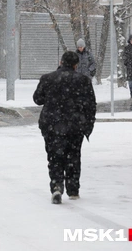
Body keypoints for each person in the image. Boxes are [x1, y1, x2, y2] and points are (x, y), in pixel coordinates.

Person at [33, 51, 97, 204]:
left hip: (52, 125)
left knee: (54, 157)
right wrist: (87, 125)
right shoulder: (83, 81)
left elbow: (37, 99)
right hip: (75, 126)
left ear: (61, 62)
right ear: (76, 65)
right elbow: (90, 105)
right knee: (73, 156)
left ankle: (56, 185)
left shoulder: (48, 78)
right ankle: (73, 189)